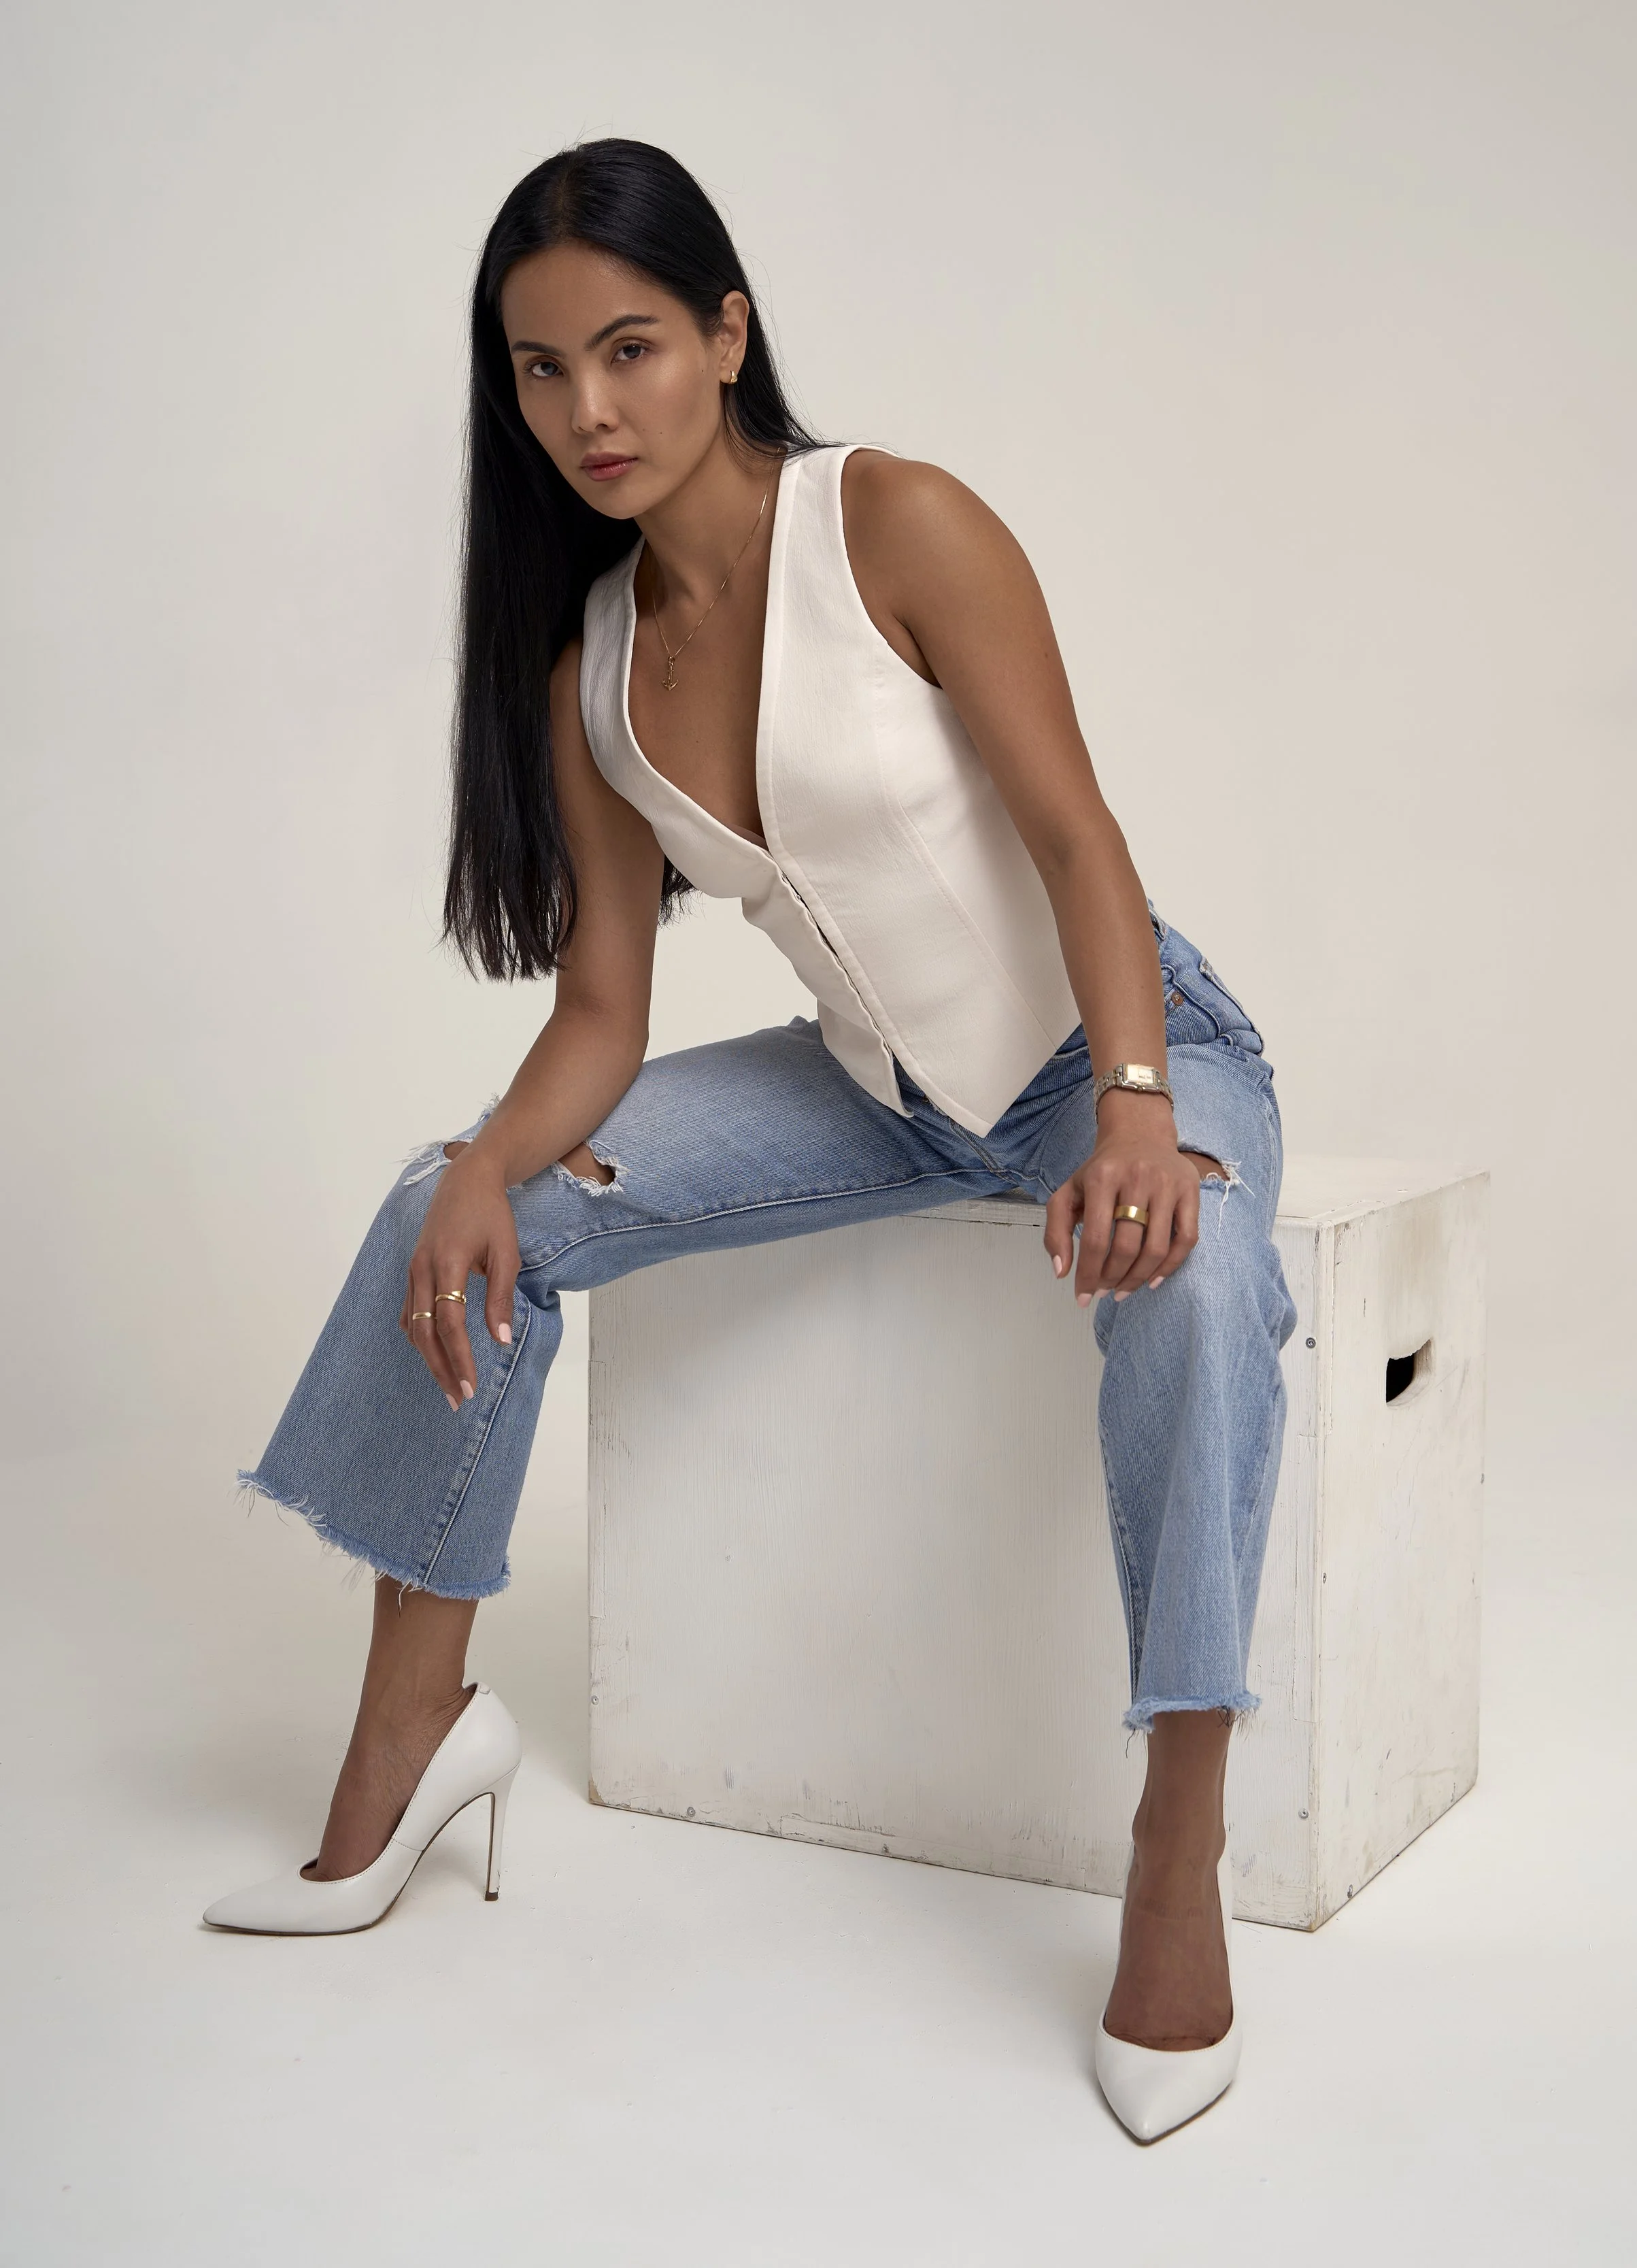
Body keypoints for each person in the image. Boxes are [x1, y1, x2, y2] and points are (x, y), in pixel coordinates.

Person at [204, 137, 1297, 2144]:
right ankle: (414, 1727)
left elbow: (1077, 838)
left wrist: (1140, 1104)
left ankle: (1179, 1826)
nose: (588, 410)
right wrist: (475, 1155)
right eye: (538, 372)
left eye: (627, 348)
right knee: (456, 1205)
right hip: (876, 1100)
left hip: (1116, 1049)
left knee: (1207, 1273)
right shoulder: (592, 671)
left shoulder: (895, 520)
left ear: (724, 335)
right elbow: (605, 1011)